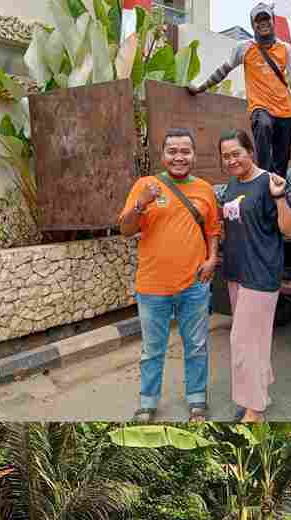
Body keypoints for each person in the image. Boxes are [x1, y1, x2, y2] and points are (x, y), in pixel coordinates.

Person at [120, 129, 221, 422]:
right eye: (172, 151)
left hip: (194, 284)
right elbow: (126, 230)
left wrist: (212, 258)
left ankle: (197, 401)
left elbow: (213, 229)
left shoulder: (204, 189)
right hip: (152, 287)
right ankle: (148, 403)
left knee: (197, 345)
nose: (179, 157)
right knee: (152, 349)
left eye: (185, 151)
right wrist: (141, 203)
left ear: (193, 155)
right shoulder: (145, 185)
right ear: (162, 155)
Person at [218, 129, 291, 422]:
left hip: (261, 274)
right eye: (225, 156)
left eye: (236, 153)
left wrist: (279, 198)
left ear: (250, 152)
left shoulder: (268, 182)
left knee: (243, 341)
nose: (231, 160)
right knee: (254, 340)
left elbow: (290, 229)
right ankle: (259, 389)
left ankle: (255, 410)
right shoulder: (232, 185)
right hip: (236, 273)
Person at [188, 3, 291, 178]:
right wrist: (201, 88)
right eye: (258, 21)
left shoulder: (286, 49)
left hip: (285, 111)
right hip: (260, 107)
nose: (263, 23)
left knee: (282, 159)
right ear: (253, 25)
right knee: (263, 124)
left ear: (273, 22)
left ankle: (277, 188)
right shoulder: (244, 48)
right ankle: (263, 178)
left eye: (266, 19)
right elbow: (223, 70)